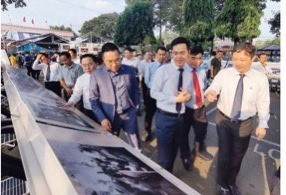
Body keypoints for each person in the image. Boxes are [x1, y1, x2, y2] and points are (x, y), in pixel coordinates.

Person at [205, 42, 270, 195]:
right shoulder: (225, 74)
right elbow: (214, 87)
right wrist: (211, 92)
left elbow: (263, 102)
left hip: (245, 123)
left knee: (237, 157)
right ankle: (222, 185)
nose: (238, 63)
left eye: (242, 59)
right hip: (224, 120)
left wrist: (262, 123)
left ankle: (231, 183)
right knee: (224, 154)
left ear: (252, 58)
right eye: (235, 59)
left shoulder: (260, 79)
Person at [89, 42, 142, 150]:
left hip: (129, 114)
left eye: (117, 59)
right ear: (103, 60)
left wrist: (136, 107)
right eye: (110, 61)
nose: (114, 64)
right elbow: (93, 99)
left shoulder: (130, 70)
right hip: (110, 118)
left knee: (136, 145)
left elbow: (136, 91)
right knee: (110, 147)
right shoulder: (97, 74)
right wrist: (102, 118)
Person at [150, 37, 192, 172]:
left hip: (181, 118)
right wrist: (175, 99)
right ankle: (163, 185)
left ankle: (168, 177)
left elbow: (188, 92)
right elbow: (154, 93)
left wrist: (188, 96)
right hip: (165, 118)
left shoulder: (189, 71)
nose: (179, 56)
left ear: (188, 52)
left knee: (173, 153)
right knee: (165, 159)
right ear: (171, 53)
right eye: (175, 53)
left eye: (182, 53)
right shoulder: (163, 70)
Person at [180, 46, 213, 171]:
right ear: (187, 56)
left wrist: (207, 95)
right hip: (185, 109)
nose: (197, 62)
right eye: (193, 58)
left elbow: (204, 86)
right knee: (183, 135)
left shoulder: (202, 71)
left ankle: (197, 149)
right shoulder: (181, 71)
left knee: (201, 130)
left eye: (199, 58)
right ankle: (185, 156)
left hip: (200, 107)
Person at [64, 54, 98, 121]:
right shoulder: (81, 79)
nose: (87, 68)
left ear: (96, 63)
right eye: (84, 65)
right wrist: (71, 101)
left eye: (90, 64)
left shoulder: (104, 77)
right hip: (88, 110)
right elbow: (77, 93)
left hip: (104, 110)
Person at [143, 46, 167, 141]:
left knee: (162, 114)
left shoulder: (168, 66)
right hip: (151, 94)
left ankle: (162, 132)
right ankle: (148, 132)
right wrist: (155, 89)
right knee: (149, 114)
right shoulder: (150, 66)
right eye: (159, 54)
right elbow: (146, 81)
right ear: (155, 54)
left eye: (163, 54)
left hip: (163, 95)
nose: (161, 56)